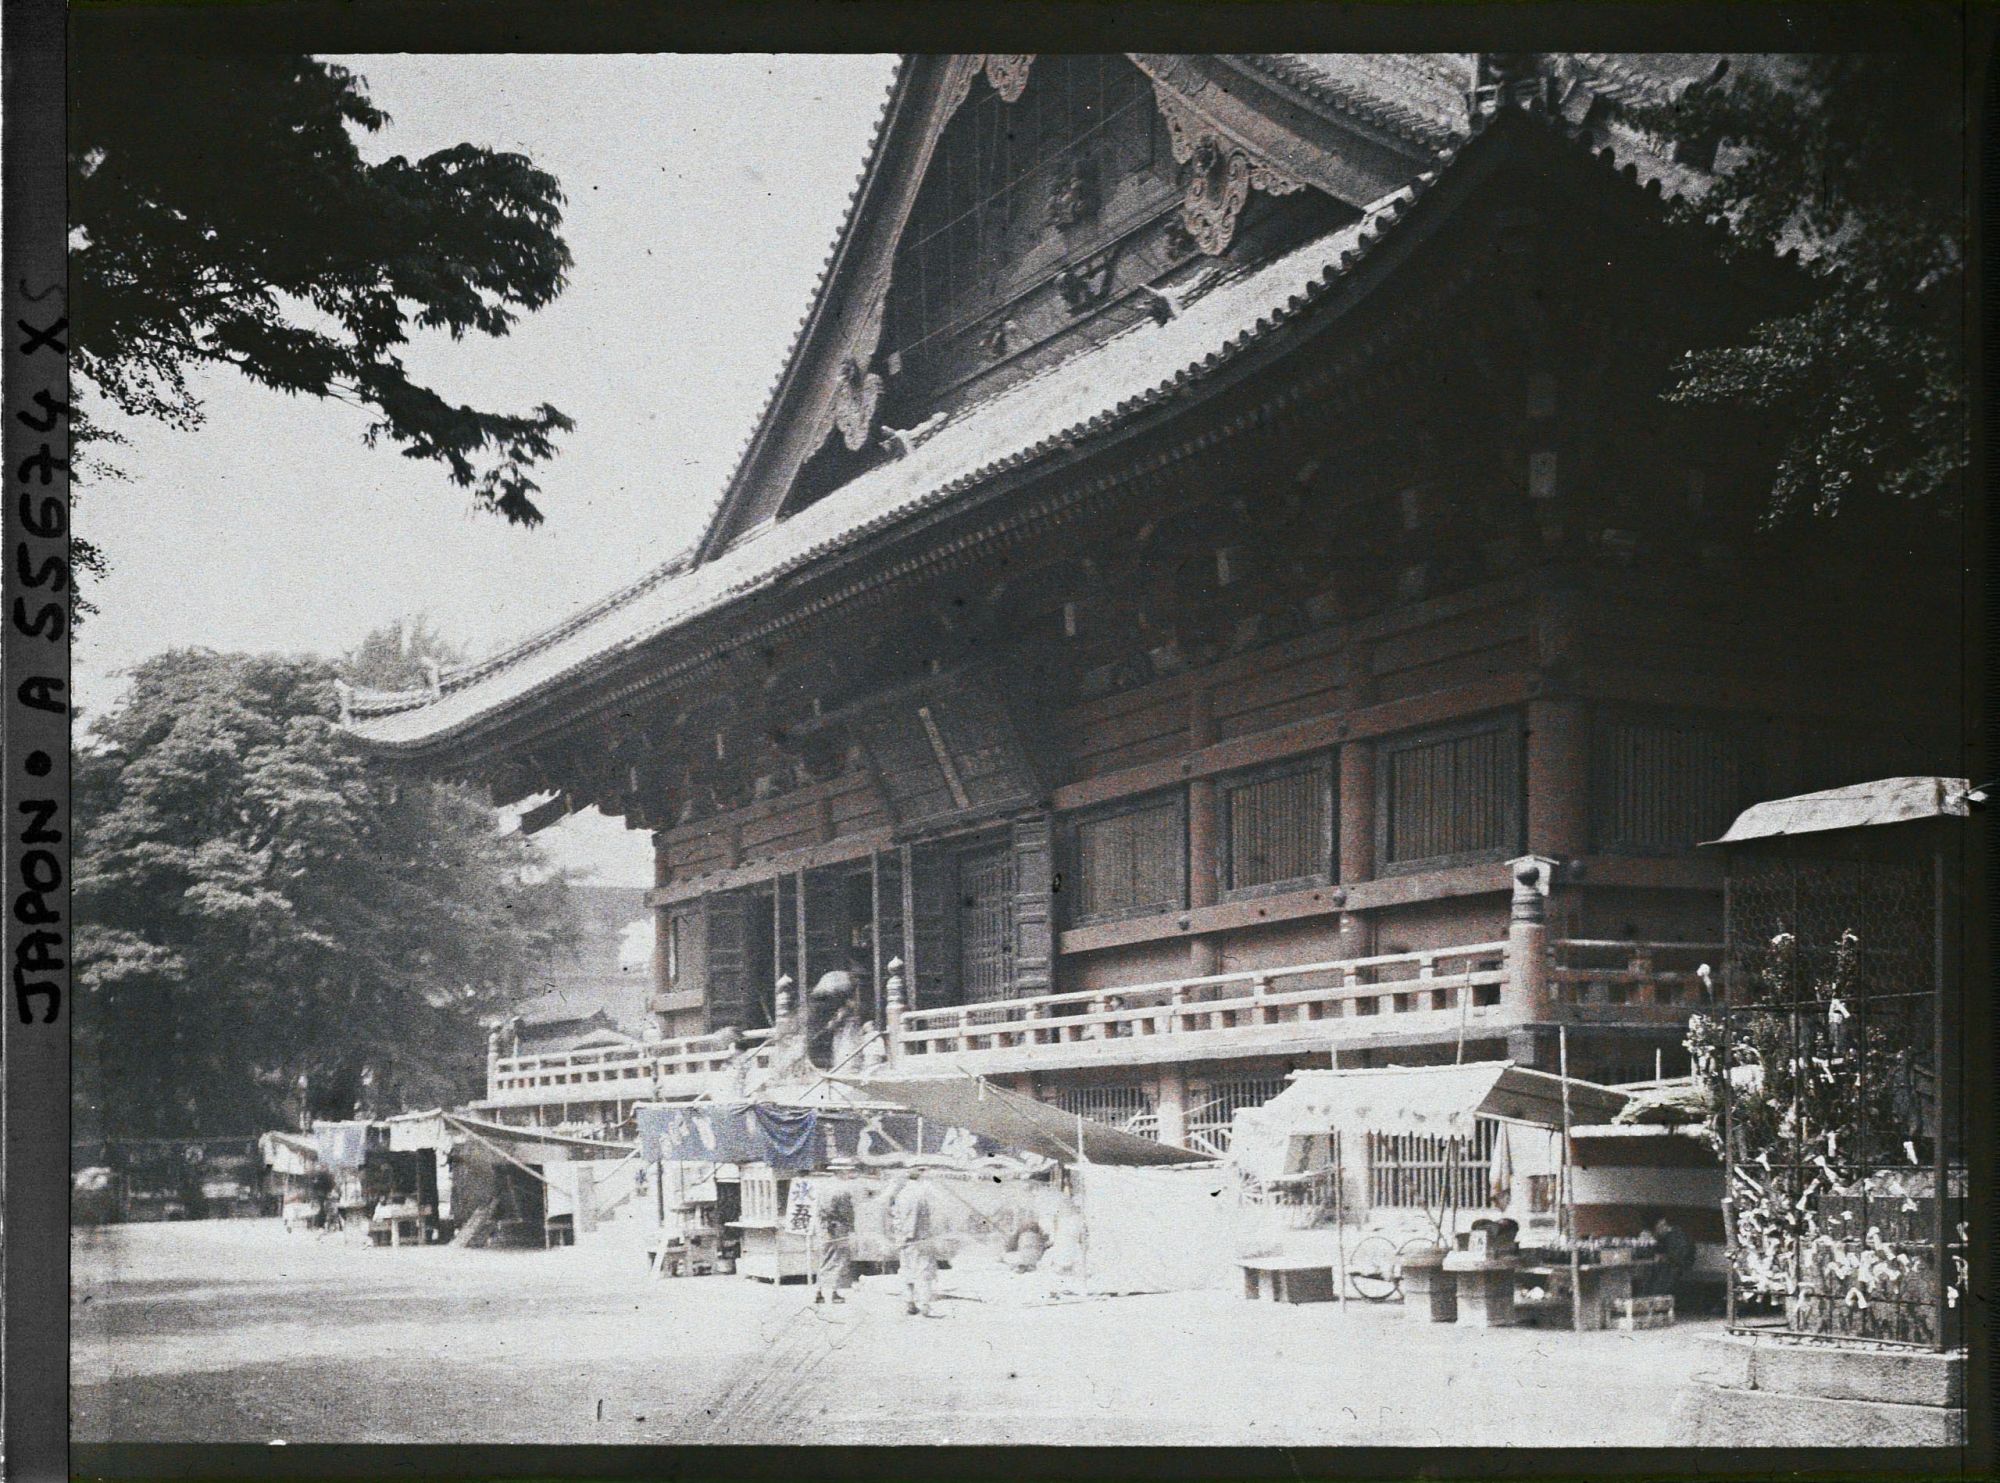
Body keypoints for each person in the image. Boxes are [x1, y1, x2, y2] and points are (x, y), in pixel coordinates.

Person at [888, 1171, 939, 1317]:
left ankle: (909, 1302)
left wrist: (901, 1237)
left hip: (904, 1239)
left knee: (906, 1270)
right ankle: (924, 1306)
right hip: (920, 1238)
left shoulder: (902, 1193)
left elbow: (896, 1217)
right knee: (924, 1271)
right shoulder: (923, 1193)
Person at [813, 1188, 856, 1305]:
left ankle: (819, 1291)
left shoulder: (822, 1201)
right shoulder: (840, 1200)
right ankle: (833, 1293)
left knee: (824, 1262)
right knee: (837, 1262)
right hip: (837, 1234)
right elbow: (847, 1215)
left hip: (825, 1234)